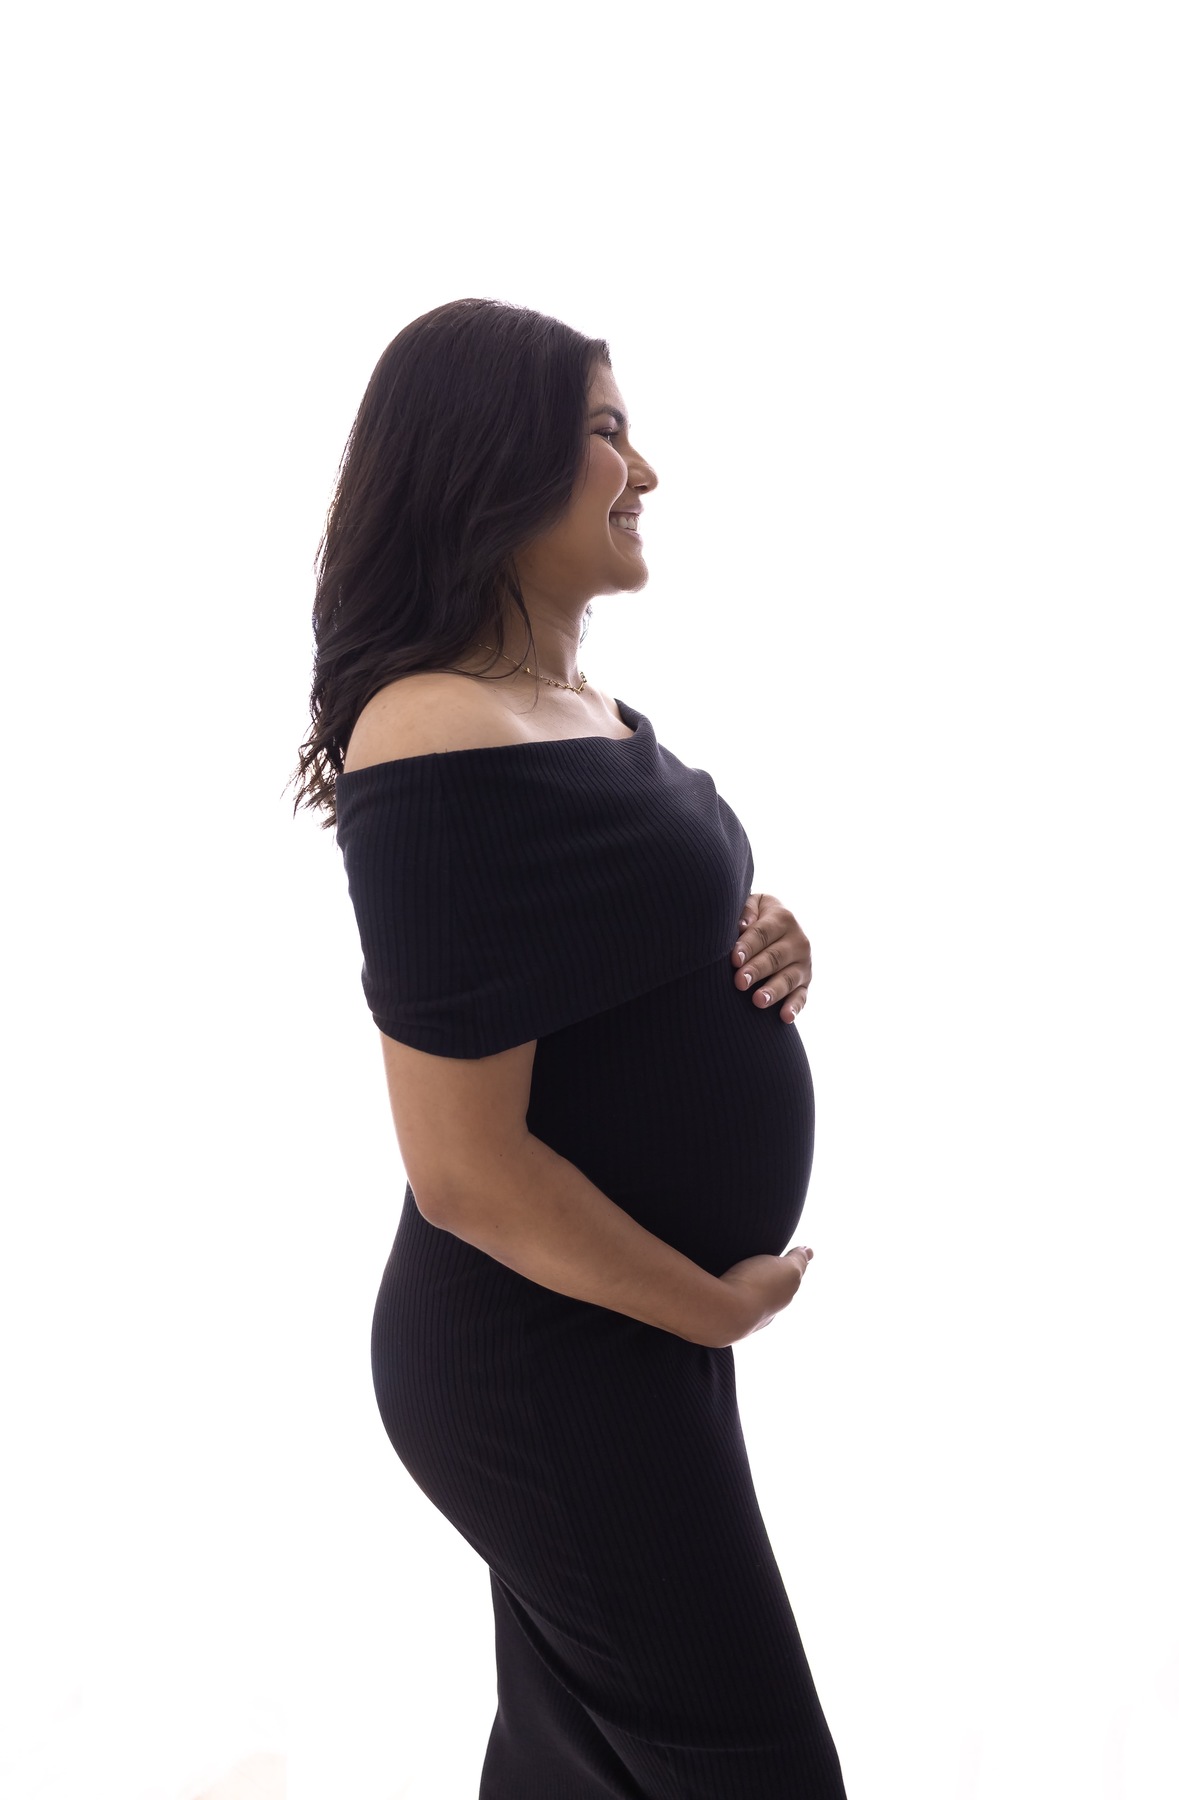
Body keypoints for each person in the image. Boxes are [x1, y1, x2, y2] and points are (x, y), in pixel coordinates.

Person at [291, 298, 848, 1798]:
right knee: (750, 1764)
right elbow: (464, 1169)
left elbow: (619, 934)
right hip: (541, 1349)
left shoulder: (568, 705)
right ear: (493, 465)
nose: (643, 469)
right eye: (606, 431)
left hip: (606, 1332)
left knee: (577, 1765)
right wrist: (707, 1313)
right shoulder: (426, 727)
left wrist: (758, 928)